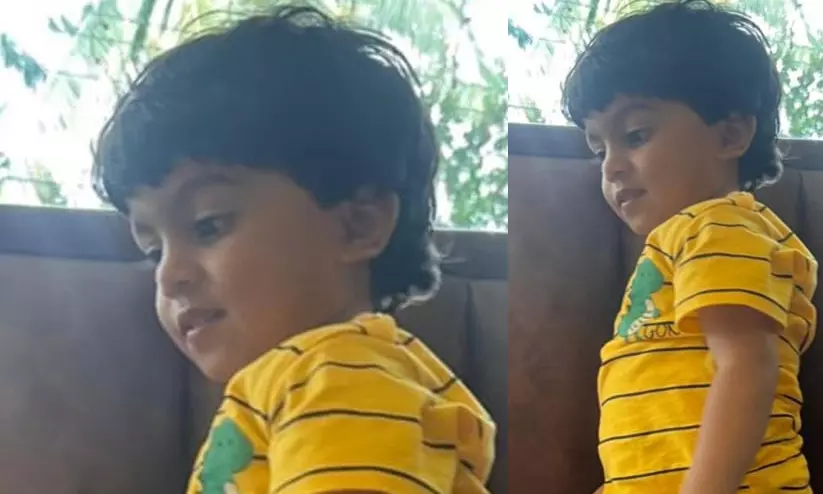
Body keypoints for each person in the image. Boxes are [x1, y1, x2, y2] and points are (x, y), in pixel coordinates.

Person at [91, 5, 495, 493]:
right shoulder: (289, 385)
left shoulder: (341, 376)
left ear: (356, 225)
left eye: (208, 225)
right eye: (154, 250)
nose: (169, 275)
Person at [561, 1, 818, 493]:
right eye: (598, 149)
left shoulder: (720, 226)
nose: (611, 165)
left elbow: (747, 365)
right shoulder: (679, 242)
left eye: (635, 134)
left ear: (729, 135)